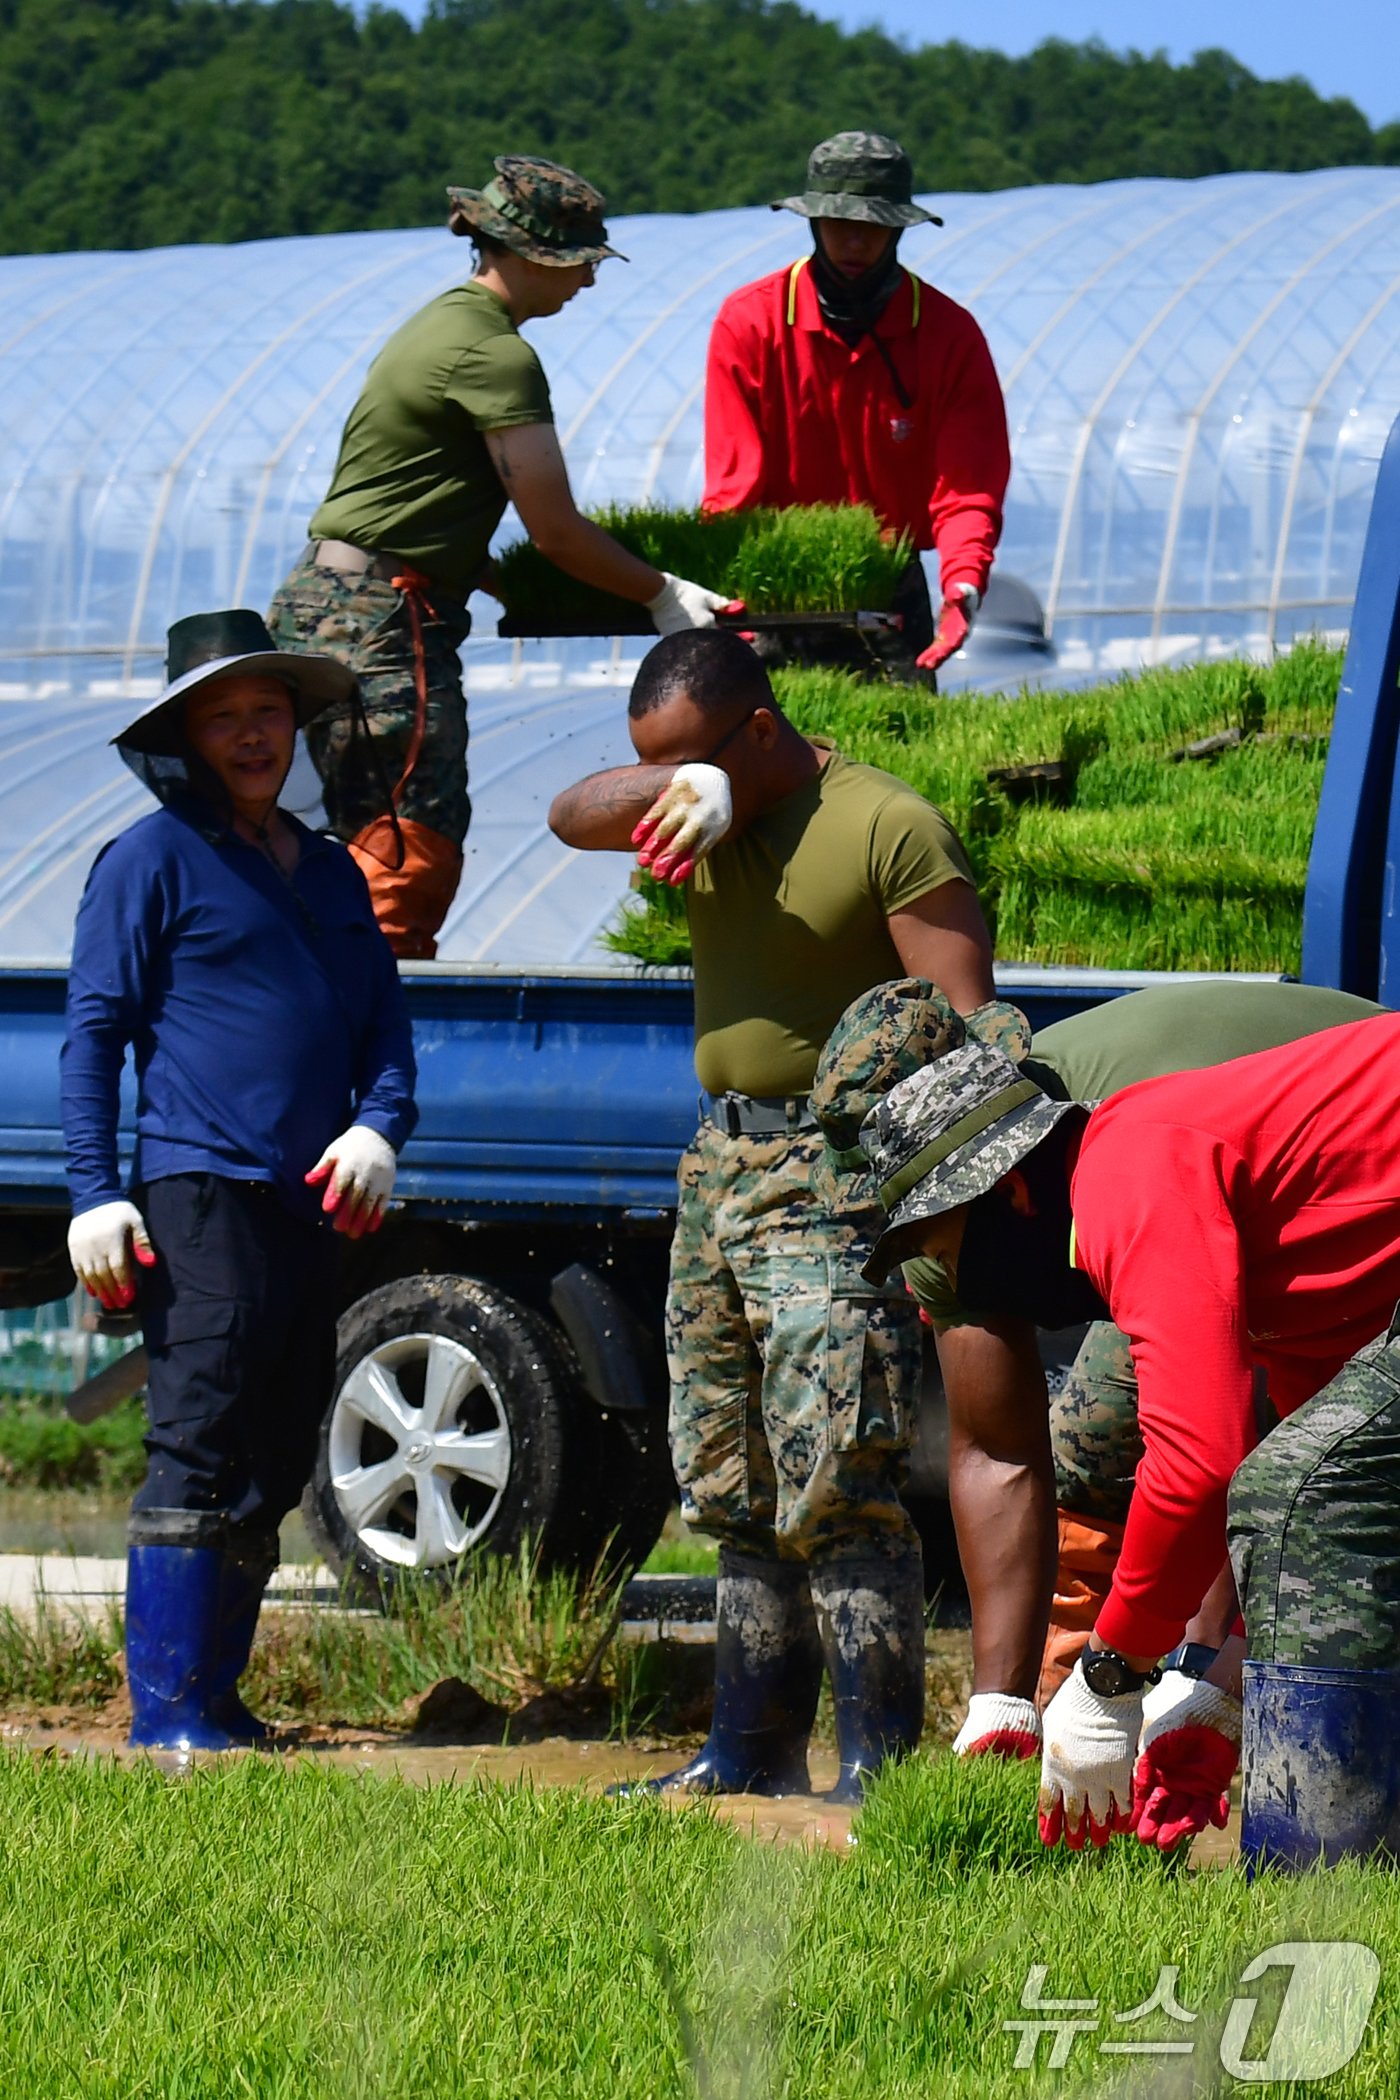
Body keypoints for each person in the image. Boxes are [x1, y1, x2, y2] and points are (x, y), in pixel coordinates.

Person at [548, 626, 996, 1801]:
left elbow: (959, 1026)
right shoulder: (702, 816)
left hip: (836, 1172)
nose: (665, 792)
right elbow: (568, 812)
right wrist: (677, 784)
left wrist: (922, 1212)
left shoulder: (884, 823)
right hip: (719, 1167)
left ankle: (876, 1769)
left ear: (761, 727)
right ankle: (744, 1753)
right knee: (727, 1470)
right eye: (654, 767)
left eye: (692, 760)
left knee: (839, 1463)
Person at [849, 1010, 1400, 1852]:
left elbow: (1198, 1464)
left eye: (940, 1243)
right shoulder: (1175, 1200)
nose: (945, 1277)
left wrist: (1108, 1680)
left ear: (1011, 1193)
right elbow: (1306, 1462)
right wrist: (1221, 1689)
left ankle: (1335, 1894)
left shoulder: (1127, 1174)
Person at [61, 610, 417, 1753]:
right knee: (200, 1433)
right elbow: (93, 1035)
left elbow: (385, 1029)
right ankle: (163, 1713)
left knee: (275, 1439)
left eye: (267, 712)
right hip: (195, 1186)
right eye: (225, 717)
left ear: (294, 727)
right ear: (186, 736)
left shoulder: (325, 869)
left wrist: (378, 1129)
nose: (253, 735)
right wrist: (93, 1190)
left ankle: (216, 1697)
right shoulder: (147, 863)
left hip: (312, 1201)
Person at [268, 155, 731, 962]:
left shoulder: (438, 323)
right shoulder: (495, 357)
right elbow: (553, 526)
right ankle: (378, 1029)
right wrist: (661, 595)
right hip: (385, 621)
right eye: (580, 262)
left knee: (341, 833)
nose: (588, 282)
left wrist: (517, 585)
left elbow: (418, 503)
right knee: (407, 840)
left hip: (327, 600)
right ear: (529, 255)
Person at [703, 131, 1010, 684]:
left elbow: (967, 486)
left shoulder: (948, 335)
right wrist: (729, 590)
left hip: (892, 588)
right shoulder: (751, 323)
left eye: (872, 226)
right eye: (840, 223)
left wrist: (963, 583)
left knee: (900, 754)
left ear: (898, 227)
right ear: (812, 221)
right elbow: (733, 482)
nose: (854, 242)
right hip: (774, 585)